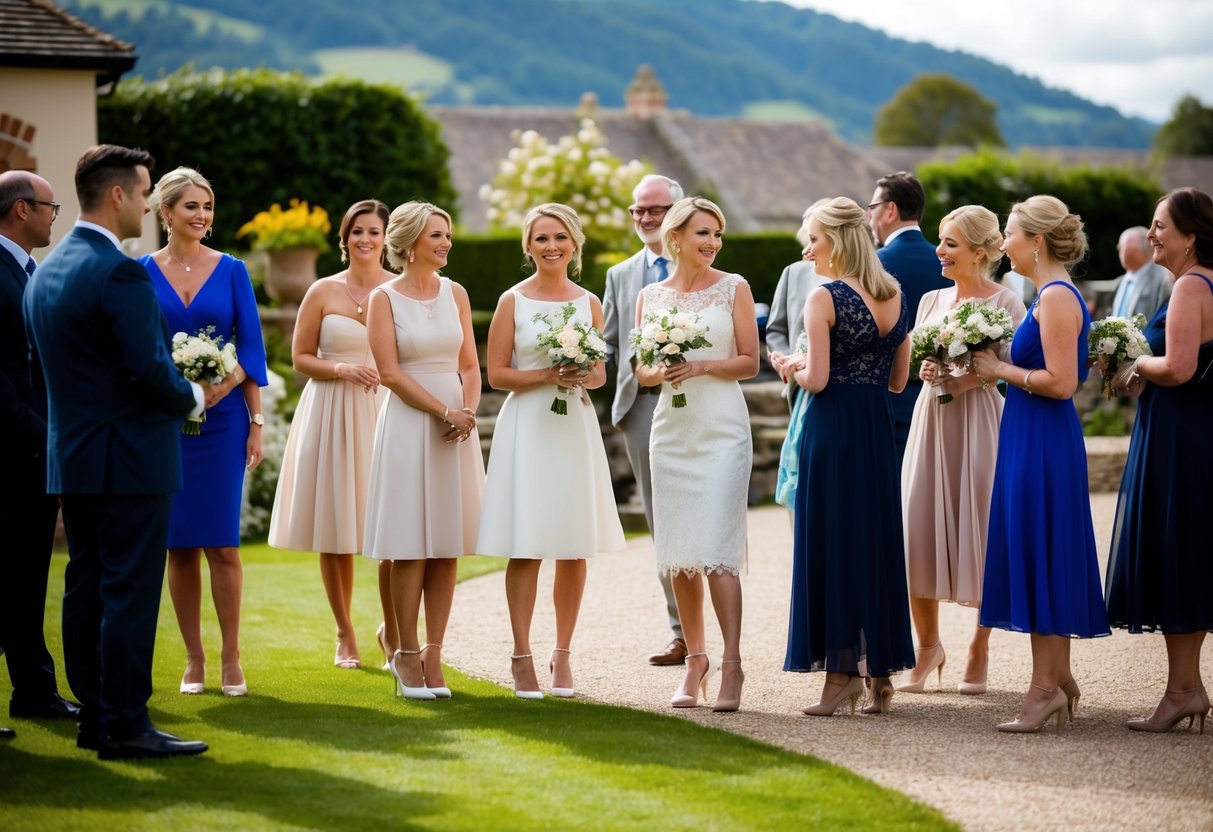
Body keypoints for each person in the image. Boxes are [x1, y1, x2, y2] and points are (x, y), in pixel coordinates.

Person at [23, 144, 208, 758]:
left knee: (86, 586)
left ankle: (96, 717)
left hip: (74, 458)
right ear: (119, 194)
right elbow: (150, 371)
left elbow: (49, 371)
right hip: (130, 459)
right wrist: (194, 396)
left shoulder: (47, 268)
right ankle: (126, 725)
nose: (151, 203)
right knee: (129, 592)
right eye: (147, 191)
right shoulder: (120, 271)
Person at [972, 195, 1111, 734]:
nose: (1002, 243)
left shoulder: (1054, 297)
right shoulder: (1050, 294)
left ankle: (1044, 691)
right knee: (1040, 550)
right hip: (1030, 433)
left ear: (1035, 241)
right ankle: (1059, 678)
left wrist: (998, 369)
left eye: (1008, 233)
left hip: (1043, 439)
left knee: (1042, 551)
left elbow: (1062, 383)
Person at [477, 203, 625, 699]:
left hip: (572, 426)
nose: (551, 246)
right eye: (541, 238)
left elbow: (600, 374)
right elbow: (497, 374)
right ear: (528, 246)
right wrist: (546, 373)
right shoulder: (512, 301)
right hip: (528, 426)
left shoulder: (589, 303)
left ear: (575, 244)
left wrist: (581, 372)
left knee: (573, 543)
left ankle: (562, 654)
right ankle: (521, 655)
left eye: (560, 237)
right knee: (527, 543)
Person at [140, 167, 267, 697]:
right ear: (166, 211)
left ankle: (231, 656)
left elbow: (252, 347)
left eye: (207, 206)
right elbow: (139, 348)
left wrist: (249, 416)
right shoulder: (141, 272)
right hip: (166, 422)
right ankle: (193, 658)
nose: (202, 215)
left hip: (225, 422)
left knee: (223, 545)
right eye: (191, 205)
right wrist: (179, 393)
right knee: (180, 546)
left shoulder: (232, 269)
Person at [785, 197, 914, 718]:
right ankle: (880, 676)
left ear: (836, 241)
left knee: (834, 545)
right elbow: (899, 381)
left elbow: (816, 380)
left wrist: (792, 365)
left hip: (833, 431)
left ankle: (840, 678)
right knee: (873, 544)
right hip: (876, 431)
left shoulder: (825, 297)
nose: (807, 250)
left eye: (813, 239)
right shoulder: (895, 294)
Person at [635, 196, 758, 712]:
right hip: (672, 431)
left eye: (717, 234)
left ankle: (732, 664)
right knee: (680, 556)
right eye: (703, 233)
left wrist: (703, 365)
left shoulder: (734, 287)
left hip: (721, 429)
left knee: (718, 552)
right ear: (676, 237)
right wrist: (661, 368)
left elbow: (750, 361)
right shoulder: (650, 295)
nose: (712, 243)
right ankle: (695, 660)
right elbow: (640, 370)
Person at [898, 206, 1026, 696]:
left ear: (979, 252)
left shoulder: (1007, 301)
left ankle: (979, 646)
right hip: (932, 418)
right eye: (941, 240)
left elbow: (1010, 367)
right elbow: (917, 358)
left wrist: (970, 377)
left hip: (981, 422)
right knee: (918, 528)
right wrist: (927, 370)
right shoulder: (930, 300)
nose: (940, 251)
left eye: (950, 243)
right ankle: (928, 647)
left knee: (984, 530)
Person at [363, 202, 483, 701]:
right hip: (411, 426)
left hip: (457, 426)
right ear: (411, 242)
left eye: (447, 234)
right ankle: (405, 653)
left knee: (447, 546)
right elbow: (390, 373)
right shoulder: (383, 298)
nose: (446, 243)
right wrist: (442, 411)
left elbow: (471, 366)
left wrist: (467, 411)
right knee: (410, 544)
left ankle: (435, 655)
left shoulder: (456, 293)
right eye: (437, 235)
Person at [1104, 187, 1213, 733]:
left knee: (1177, 553)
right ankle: (1186, 689)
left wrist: (1133, 363)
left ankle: (1181, 692)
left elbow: (1180, 368)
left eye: (1160, 226)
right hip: (1194, 429)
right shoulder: (1203, 281)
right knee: (1189, 554)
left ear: (1190, 236)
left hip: (1179, 437)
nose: (1150, 235)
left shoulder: (1192, 285)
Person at [269, 199, 395, 670]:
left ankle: (394, 631)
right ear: (344, 238)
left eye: (374, 231)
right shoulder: (322, 290)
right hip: (332, 410)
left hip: (386, 409)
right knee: (336, 526)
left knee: (393, 527)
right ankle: (344, 632)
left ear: (386, 238)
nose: (365, 239)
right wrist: (341, 368)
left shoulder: (399, 289)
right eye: (357, 231)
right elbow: (300, 357)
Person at [0, 171, 81, 723]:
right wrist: (40, 433)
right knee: (7, 576)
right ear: (22, 209)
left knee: (28, 579)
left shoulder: (32, 272)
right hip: (11, 451)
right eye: (50, 207)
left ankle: (33, 690)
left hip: (38, 451)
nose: (55, 217)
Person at [602, 173, 687, 667]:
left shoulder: (705, 263)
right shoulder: (620, 275)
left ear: (677, 211)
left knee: (700, 515)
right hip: (640, 409)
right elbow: (610, 343)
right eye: (638, 210)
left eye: (655, 209)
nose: (645, 218)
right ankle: (681, 632)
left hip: (695, 405)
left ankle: (715, 624)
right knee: (659, 519)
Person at [867, 172, 948, 465]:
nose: (869, 216)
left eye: (872, 207)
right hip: (945, 394)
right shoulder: (947, 262)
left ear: (890, 210)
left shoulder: (874, 264)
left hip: (889, 398)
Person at [768, 202, 829, 509]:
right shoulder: (793, 273)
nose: (807, 248)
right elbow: (776, 327)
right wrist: (786, 358)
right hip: (797, 384)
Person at [1110, 225, 1172, 320]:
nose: (1124, 254)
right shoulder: (1122, 280)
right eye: (1121, 248)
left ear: (1148, 250)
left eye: (1130, 250)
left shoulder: (1163, 278)